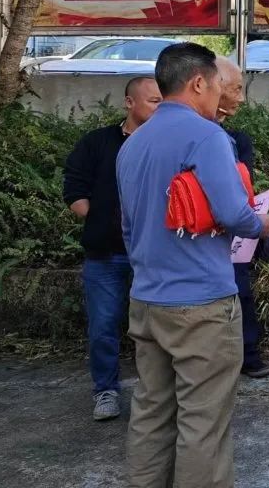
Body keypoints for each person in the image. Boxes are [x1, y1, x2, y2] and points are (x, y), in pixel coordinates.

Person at [118, 43, 269, 488]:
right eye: (219, 86)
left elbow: (128, 227)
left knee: (151, 412)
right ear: (199, 83)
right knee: (203, 421)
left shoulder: (133, 143)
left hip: (147, 299)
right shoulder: (207, 137)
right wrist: (261, 224)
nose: (222, 96)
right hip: (201, 304)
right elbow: (234, 214)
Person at [63, 76, 161, 421]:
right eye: (153, 101)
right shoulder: (98, 142)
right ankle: (105, 390)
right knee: (103, 326)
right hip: (106, 253)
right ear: (129, 103)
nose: (160, 107)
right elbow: (74, 185)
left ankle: (157, 393)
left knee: (158, 326)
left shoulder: (165, 145)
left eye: (163, 101)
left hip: (153, 254)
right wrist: (97, 216)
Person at [214, 57, 269, 380]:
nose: (242, 98)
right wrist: (261, 230)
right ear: (209, 85)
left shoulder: (234, 141)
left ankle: (247, 355)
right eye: (236, 89)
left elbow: (243, 199)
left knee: (241, 297)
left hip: (233, 241)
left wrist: (266, 240)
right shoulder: (200, 140)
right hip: (201, 252)